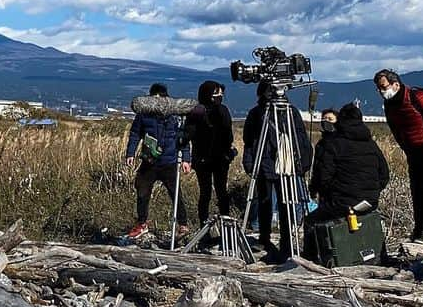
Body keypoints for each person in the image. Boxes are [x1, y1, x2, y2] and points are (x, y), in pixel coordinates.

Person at [374, 69, 423, 241]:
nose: (381, 91)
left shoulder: (417, 97)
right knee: (417, 191)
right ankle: (419, 228)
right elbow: (395, 129)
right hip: (414, 152)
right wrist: (406, 147)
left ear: (396, 84)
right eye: (378, 88)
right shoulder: (390, 105)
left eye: (383, 87)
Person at [242, 81, 313, 262]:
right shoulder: (257, 114)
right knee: (267, 201)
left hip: (284, 164)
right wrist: (250, 163)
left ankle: (286, 241)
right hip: (266, 163)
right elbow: (250, 140)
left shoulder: (288, 112)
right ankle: (267, 237)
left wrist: (302, 162)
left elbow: (299, 137)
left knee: (286, 203)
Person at [125, 83, 192, 239]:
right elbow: (135, 134)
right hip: (149, 161)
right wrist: (130, 153)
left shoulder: (175, 115)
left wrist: (186, 159)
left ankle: (183, 225)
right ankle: (142, 224)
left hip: (169, 161)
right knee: (142, 191)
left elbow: (183, 139)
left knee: (176, 194)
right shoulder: (143, 114)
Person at [305, 103, 389, 223]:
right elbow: (384, 175)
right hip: (370, 202)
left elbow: (324, 177)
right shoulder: (371, 144)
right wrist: (371, 191)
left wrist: (332, 193)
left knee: (311, 222)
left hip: (341, 203)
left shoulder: (333, 144)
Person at [184, 80, 237, 224]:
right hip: (204, 158)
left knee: (219, 191)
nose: (219, 96)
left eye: (220, 93)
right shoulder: (199, 112)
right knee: (207, 192)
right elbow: (190, 134)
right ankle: (205, 223)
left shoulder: (221, 110)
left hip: (219, 158)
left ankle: (224, 222)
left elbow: (228, 134)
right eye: (215, 93)